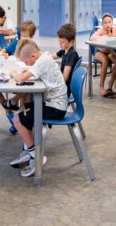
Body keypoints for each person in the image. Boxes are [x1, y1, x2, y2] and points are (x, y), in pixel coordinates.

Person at [8, 39, 70, 178]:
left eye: (27, 62)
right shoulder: (45, 57)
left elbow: (21, 79)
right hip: (55, 103)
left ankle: (35, 155)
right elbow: (32, 71)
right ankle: (28, 151)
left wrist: (14, 73)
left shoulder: (42, 61)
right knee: (26, 107)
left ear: (33, 56)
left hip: (56, 108)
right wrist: (28, 69)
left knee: (17, 119)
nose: (27, 65)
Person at [89, 13, 116, 98]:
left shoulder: (115, 29)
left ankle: (110, 84)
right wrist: (106, 37)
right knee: (105, 61)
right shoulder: (101, 30)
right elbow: (92, 38)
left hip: (109, 52)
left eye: (109, 22)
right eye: (105, 23)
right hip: (99, 51)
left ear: (112, 23)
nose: (107, 24)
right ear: (102, 24)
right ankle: (101, 86)